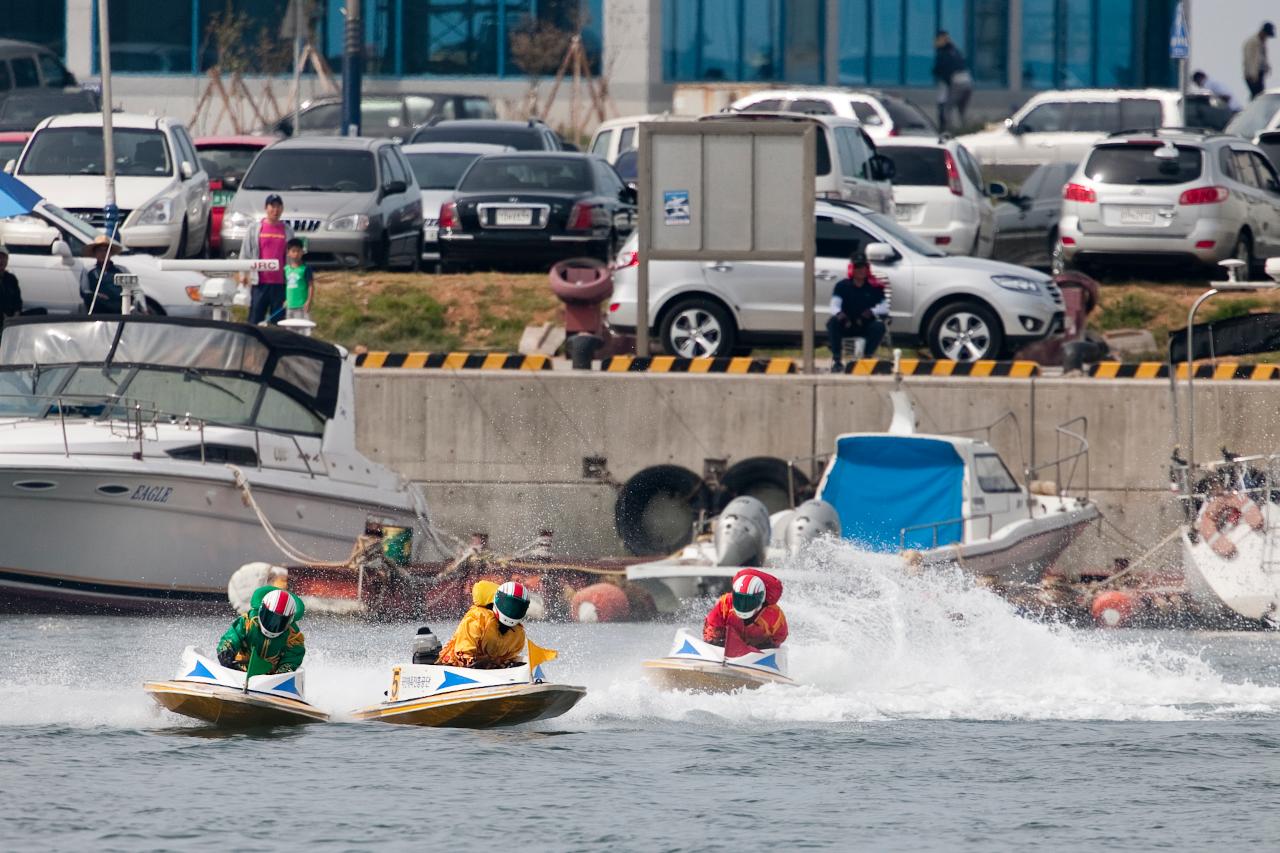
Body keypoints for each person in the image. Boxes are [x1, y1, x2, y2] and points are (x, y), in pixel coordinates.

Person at [437, 580, 530, 668]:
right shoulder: (478, 618)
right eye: (509, 605)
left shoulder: (518, 634)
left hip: (493, 676)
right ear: (498, 599)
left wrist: (508, 665)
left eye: (517, 608)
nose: (512, 610)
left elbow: (507, 659)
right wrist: (476, 664)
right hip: (454, 667)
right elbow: (462, 651)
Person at [216, 587, 306, 674]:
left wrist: (283, 672)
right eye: (269, 617)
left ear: (289, 621)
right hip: (239, 669)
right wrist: (226, 651)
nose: (273, 624)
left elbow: (294, 656)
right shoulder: (249, 621)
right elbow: (232, 636)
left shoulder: (293, 634)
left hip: (273, 677)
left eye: (280, 621)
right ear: (261, 610)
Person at [827, 251, 888, 373]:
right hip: (847, 324)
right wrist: (840, 315)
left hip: (864, 325)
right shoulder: (842, 286)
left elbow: (884, 307)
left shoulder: (874, 287)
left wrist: (871, 311)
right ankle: (837, 360)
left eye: (863, 267)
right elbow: (834, 306)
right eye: (857, 267)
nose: (861, 270)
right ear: (852, 269)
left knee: (879, 326)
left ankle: (866, 357)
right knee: (833, 322)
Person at [239, 194, 294, 325]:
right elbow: (245, 252)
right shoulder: (255, 229)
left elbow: (291, 258)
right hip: (259, 283)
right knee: (255, 319)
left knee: (278, 322)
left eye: (278, 207)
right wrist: (243, 274)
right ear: (266, 208)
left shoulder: (288, 230)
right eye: (272, 206)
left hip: (280, 284)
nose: (275, 210)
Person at [704, 569, 788, 651]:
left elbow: (779, 637)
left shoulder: (774, 615)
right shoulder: (725, 603)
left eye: (749, 600)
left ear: (761, 599)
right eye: (739, 599)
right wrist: (716, 643)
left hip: (758, 652)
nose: (743, 604)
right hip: (724, 646)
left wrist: (764, 647)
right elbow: (711, 627)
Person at [932, 31, 972, 131]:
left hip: (956, 81)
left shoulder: (943, 53)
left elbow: (943, 69)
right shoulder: (955, 51)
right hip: (967, 81)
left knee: (947, 108)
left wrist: (944, 79)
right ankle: (965, 129)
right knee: (961, 110)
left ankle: (948, 131)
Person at [80, 235, 125, 314]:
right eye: (100, 250)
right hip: (98, 310)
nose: (103, 254)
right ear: (95, 253)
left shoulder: (121, 270)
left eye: (106, 250)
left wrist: (143, 307)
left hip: (119, 310)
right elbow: (84, 291)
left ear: (110, 253)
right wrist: (97, 295)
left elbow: (135, 289)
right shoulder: (88, 271)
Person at [283, 237, 314, 323]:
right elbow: (286, 286)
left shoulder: (305, 268)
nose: (296, 254)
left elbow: (310, 285)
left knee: (303, 330)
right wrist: (286, 300)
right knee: (290, 329)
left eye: (298, 251)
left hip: (302, 305)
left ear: (302, 252)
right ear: (288, 253)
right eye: (293, 251)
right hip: (290, 305)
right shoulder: (286, 269)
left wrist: (308, 301)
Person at [1244, 22, 1275, 99]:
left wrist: (1267, 67)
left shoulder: (1262, 42)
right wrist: (1252, 75)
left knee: (1259, 95)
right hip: (1252, 75)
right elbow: (1249, 59)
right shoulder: (1252, 42)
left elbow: (1263, 57)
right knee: (1257, 96)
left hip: (1259, 73)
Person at [0, 244, 22, 326]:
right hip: (2, 318)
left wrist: (16, 314)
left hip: (13, 317)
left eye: (3, 258)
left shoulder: (11, 278)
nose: (1, 261)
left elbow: (18, 300)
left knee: (41, 311)